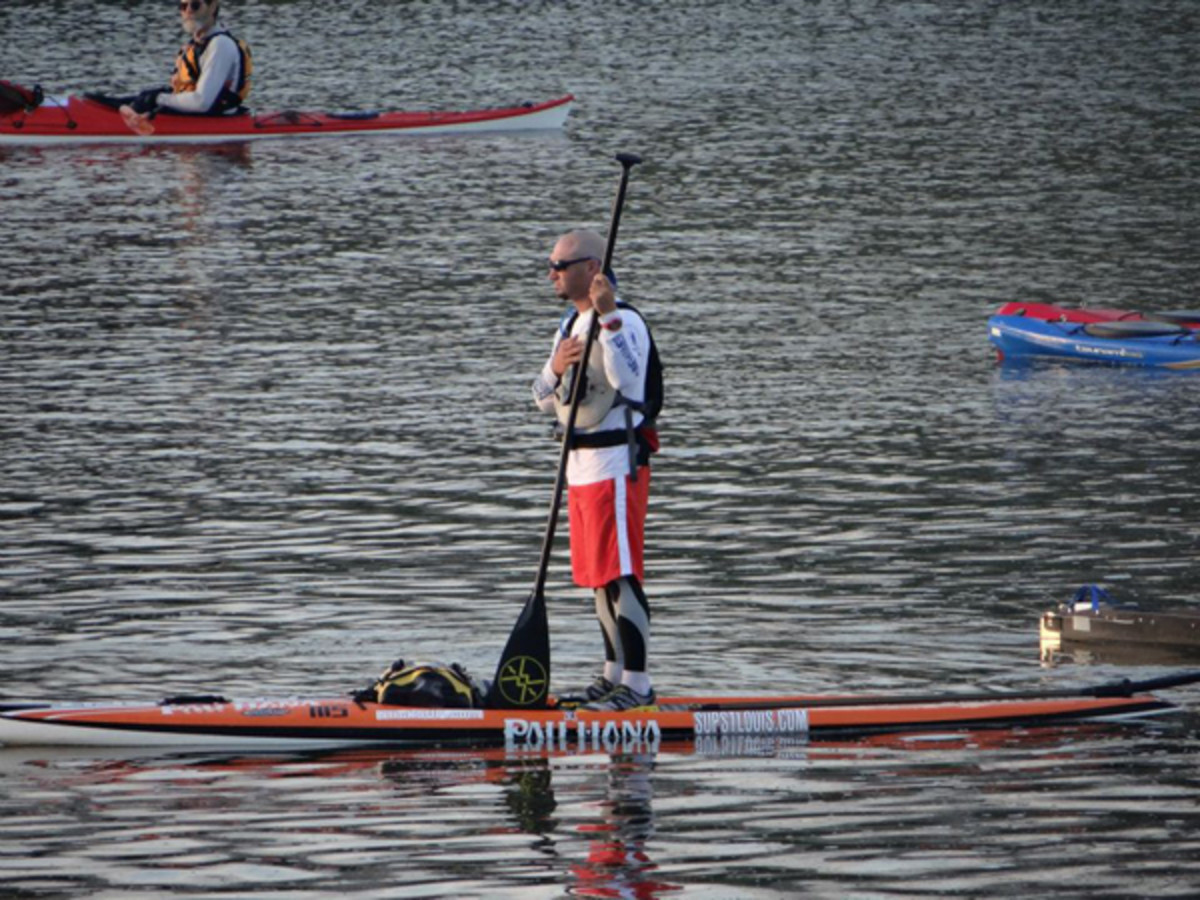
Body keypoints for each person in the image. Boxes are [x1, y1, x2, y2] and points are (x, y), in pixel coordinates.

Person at [532, 229, 661, 711]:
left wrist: (607, 317)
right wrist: (555, 369)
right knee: (598, 577)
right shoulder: (567, 328)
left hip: (616, 463)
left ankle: (639, 686)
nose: (551, 274)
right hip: (580, 467)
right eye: (551, 265)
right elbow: (543, 399)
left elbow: (629, 380)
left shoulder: (625, 320)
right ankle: (612, 677)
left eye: (560, 266)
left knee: (622, 573)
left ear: (591, 269)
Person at [119, 0, 251, 134]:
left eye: (195, 5)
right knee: (132, 100)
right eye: (183, 6)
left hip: (215, 116)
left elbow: (201, 102)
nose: (188, 11)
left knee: (148, 99)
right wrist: (154, 97)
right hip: (197, 112)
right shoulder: (196, 44)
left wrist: (158, 98)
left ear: (212, 8)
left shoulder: (221, 45)